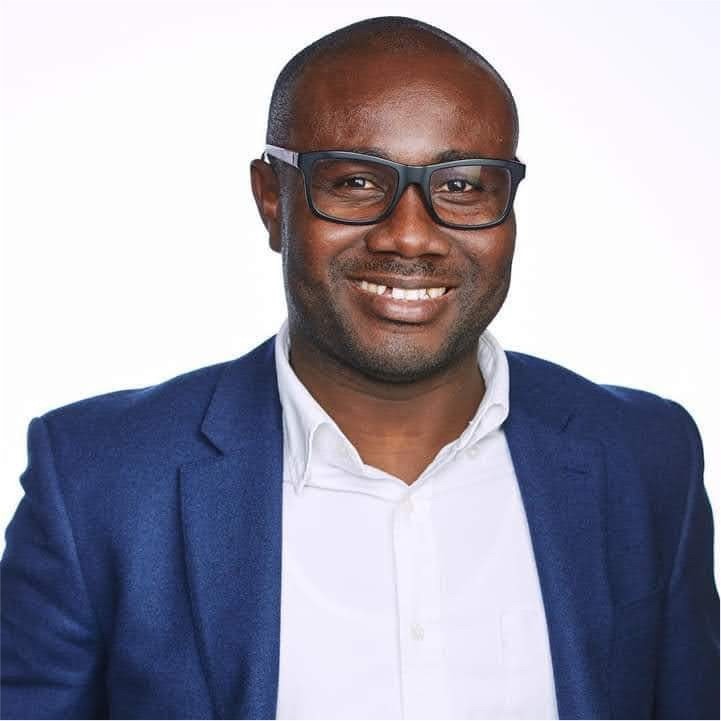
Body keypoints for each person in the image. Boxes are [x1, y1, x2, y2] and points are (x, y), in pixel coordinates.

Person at [1, 14, 718, 721]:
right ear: (271, 198)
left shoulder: (646, 458)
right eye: (354, 181)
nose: (410, 235)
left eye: (462, 185)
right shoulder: (99, 482)